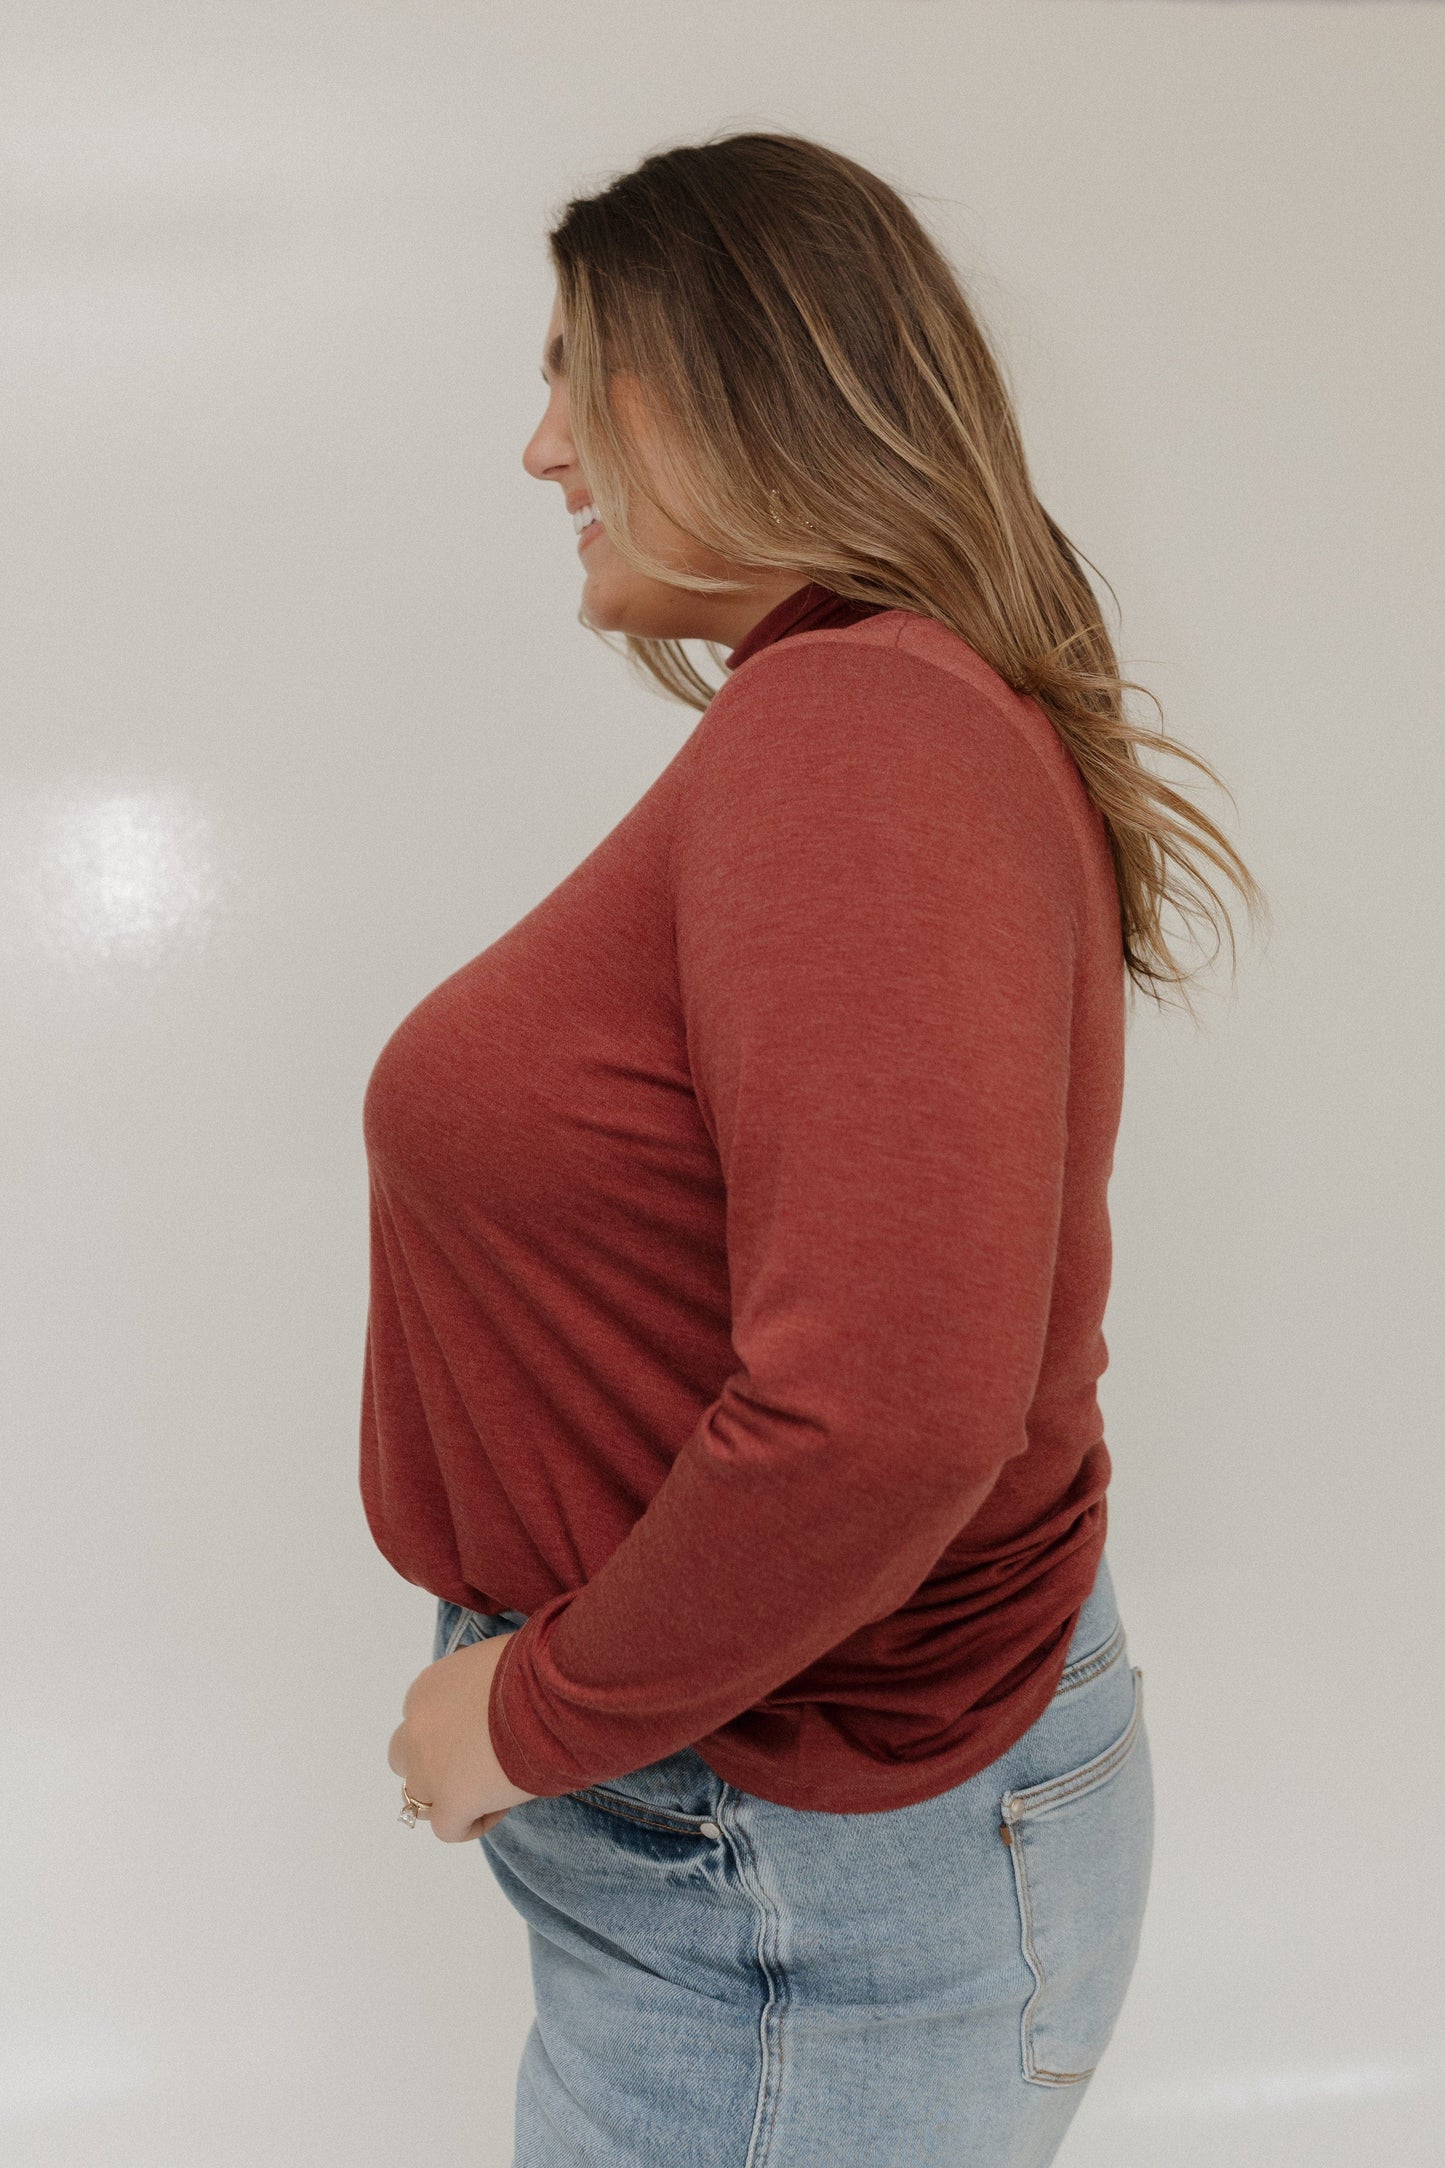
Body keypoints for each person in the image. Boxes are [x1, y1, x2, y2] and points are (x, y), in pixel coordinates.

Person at [366, 129, 1263, 2166]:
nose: (540, 448)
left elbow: (887, 1409)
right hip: (775, 1828)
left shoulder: (856, 729)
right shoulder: (884, 717)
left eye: (577, 376)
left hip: (791, 1842)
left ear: (747, 377)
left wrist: (530, 1711)